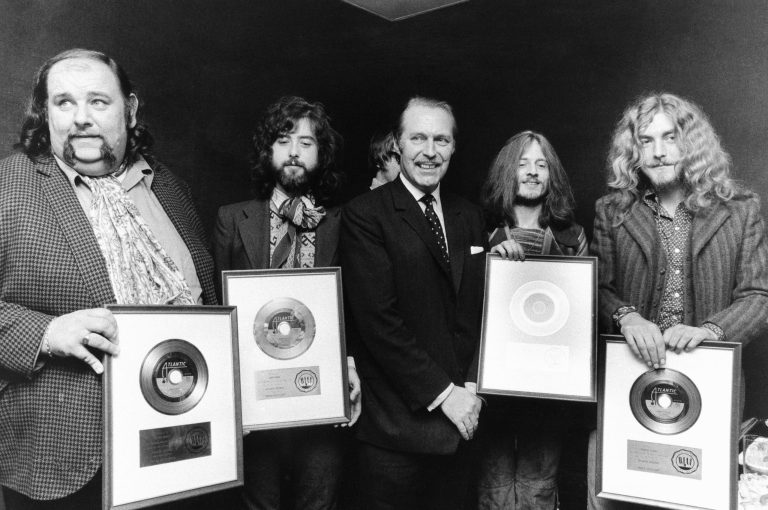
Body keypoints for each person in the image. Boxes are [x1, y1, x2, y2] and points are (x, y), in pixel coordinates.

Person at [0, 48, 216, 509]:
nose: (81, 118)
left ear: (130, 109)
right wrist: (45, 332)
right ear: (44, 112)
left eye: (98, 101)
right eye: (63, 103)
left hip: (181, 448)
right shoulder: (7, 185)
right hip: (64, 465)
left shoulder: (171, 189)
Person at [587, 92, 768, 509]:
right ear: (634, 151)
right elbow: (598, 285)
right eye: (646, 141)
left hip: (709, 384)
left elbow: (758, 296)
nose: (658, 151)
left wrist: (711, 331)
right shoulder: (611, 209)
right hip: (629, 380)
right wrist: (626, 316)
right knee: (613, 490)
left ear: (691, 143)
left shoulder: (740, 209)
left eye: (669, 138)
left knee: (696, 497)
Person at [213, 95, 361, 510]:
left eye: (307, 142)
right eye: (283, 140)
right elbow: (216, 309)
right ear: (269, 151)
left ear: (321, 154)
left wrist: (348, 367)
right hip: (254, 405)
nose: (294, 151)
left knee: (319, 501)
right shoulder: (232, 218)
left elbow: (354, 309)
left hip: (320, 396)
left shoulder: (343, 222)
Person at [341, 96, 486, 510]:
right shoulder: (366, 215)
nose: (430, 151)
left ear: (453, 147)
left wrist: (471, 389)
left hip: (463, 429)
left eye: (441, 139)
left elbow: (478, 310)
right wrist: (447, 395)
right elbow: (378, 323)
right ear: (398, 144)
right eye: (418, 137)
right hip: (395, 436)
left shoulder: (469, 215)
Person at [477, 131, 587, 509]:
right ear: (507, 172)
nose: (532, 172)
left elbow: (580, 318)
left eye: (542, 165)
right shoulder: (479, 230)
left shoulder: (573, 238)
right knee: (493, 489)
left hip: (549, 388)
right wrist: (489, 256)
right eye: (523, 164)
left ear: (551, 175)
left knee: (539, 486)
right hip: (492, 390)